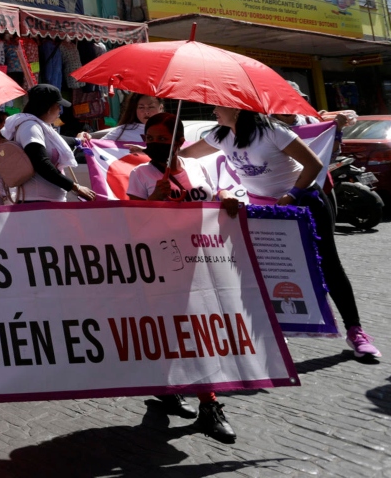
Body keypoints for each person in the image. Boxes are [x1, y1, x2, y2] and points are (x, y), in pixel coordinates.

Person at [181, 107, 381, 360]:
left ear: (236, 107)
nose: (213, 110)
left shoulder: (271, 130)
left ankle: (356, 331)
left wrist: (292, 196)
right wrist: (139, 152)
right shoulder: (220, 135)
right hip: (265, 211)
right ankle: (275, 329)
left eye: (219, 105)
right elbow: (184, 155)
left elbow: (313, 164)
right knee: (269, 270)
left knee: (329, 265)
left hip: (303, 203)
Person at [126, 113, 239, 442]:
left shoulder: (197, 167)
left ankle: (170, 388)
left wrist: (227, 198)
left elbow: (216, 196)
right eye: (151, 138)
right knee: (188, 332)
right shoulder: (140, 175)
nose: (155, 144)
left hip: (203, 260)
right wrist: (153, 200)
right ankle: (210, 404)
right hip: (164, 267)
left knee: (194, 331)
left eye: (163, 139)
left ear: (179, 141)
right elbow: (132, 225)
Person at [2, 85, 96, 203]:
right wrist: (75, 187)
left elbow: (57, 140)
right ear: (47, 108)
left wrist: (78, 140)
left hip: (45, 202)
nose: (60, 111)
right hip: (37, 202)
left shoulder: (39, 127)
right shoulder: (30, 127)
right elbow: (41, 163)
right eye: (58, 106)